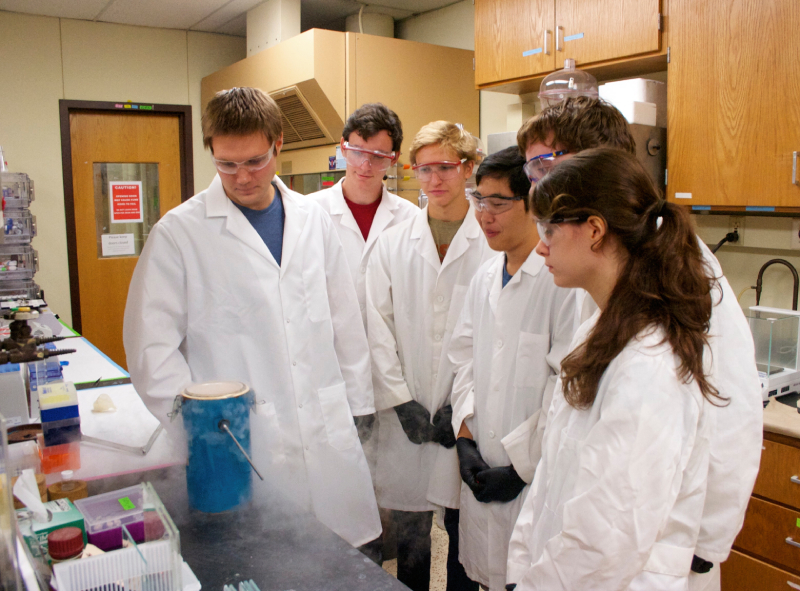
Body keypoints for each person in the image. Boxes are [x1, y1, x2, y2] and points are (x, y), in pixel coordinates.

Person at [513, 97, 763, 591]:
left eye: (546, 165)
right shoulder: (607, 287)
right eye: (531, 168)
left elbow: (733, 412)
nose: (534, 182)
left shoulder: (677, 284)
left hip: (650, 555)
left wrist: (701, 547)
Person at [123, 86, 381, 548]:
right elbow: (151, 351)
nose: (241, 177)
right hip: (236, 442)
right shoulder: (180, 234)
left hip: (323, 429)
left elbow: (344, 319)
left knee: (339, 560)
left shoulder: (312, 219)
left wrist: (359, 406)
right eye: (227, 164)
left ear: (278, 143)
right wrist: (199, 431)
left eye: (255, 161)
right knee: (265, 561)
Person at [366, 121, 494, 591]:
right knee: (411, 539)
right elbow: (376, 325)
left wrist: (460, 407)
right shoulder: (395, 241)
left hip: (467, 415)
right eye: (423, 170)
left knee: (463, 540)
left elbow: (491, 334)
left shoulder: (491, 242)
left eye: (445, 167)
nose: (435, 180)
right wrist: (400, 401)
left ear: (468, 168)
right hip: (407, 413)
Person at [448, 147, 578, 590]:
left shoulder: (561, 282)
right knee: (483, 573)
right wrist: (464, 437)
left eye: (498, 202)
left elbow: (567, 388)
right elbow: (462, 357)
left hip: (532, 480)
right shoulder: (485, 276)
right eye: (479, 200)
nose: (485, 214)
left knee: (525, 575)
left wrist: (521, 468)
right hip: (482, 465)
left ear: (533, 202)